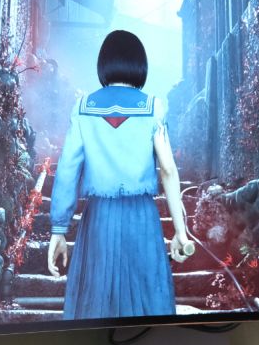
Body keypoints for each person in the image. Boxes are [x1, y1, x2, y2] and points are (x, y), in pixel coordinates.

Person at [47, 30, 191, 320]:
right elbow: (167, 169)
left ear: (104, 64)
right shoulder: (152, 107)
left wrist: (58, 229)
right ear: (140, 65)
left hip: (98, 220)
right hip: (142, 219)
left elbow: (67, 170)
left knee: (96, 305)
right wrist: (180, 230)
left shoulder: (83, 108)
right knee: (148, 303)